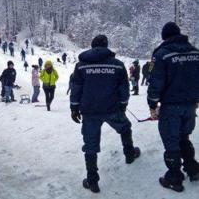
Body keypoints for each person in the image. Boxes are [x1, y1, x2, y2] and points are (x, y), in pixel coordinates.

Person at [70, 35, 140, 193]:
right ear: (106, 46)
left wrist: (74, 108)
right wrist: (123, 104)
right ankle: (129, 153)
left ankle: (92, 180)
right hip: (112, 109)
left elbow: (76, 87)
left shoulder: (81, 65)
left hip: (90, 111)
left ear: (92, 46)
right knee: (125, 128)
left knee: (90, 145)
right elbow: (124, 87)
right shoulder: (118, 65)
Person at [148, 22, 199, 192]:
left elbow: (156, 81)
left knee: (171, 142)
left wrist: (152, 104)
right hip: (190, 106)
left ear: (164, 36)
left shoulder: (162, 54)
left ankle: (174, 178)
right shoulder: (195, 52)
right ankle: (193, 168)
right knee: (184, 137)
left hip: (171, 106)